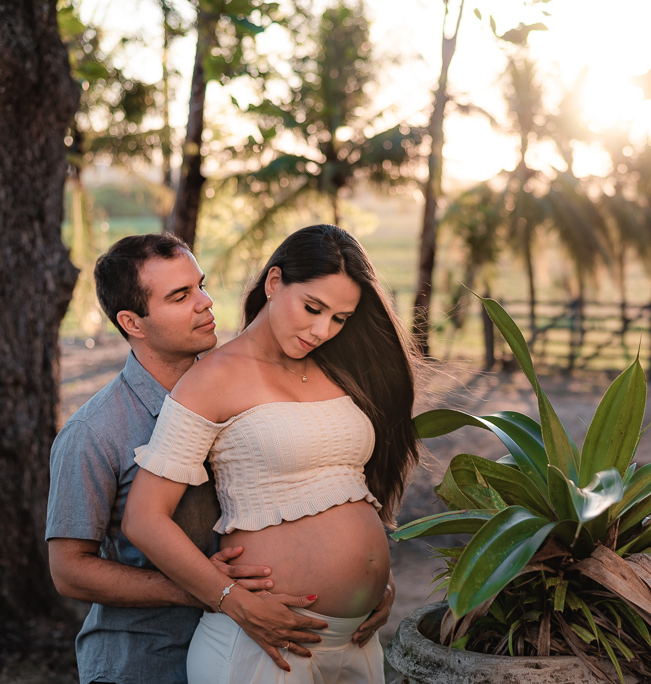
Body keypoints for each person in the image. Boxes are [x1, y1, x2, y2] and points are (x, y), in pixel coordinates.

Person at [122, 224, 420, 683]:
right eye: (313, 308)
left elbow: (344, 485)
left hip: (355, 642)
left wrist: (375, 580)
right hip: (264, 646)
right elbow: (144, 518)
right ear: (275, 282)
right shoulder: (214, 378)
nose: (322, 330)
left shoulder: (336, 369)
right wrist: (233, 600)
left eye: (340, 318)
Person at [47, 233, 327, 684]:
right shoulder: (94, 432)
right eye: (181, 296)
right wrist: (203, 587)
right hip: (146, 663)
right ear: (132, 323)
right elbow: (69, 571)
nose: (206, 302)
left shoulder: (240, 392)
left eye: (200, 284)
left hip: (249, 655)